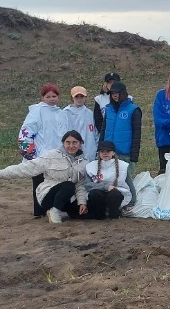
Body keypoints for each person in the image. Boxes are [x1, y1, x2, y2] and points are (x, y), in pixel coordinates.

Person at [0, 130, 88, 224]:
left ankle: (61, 212)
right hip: (48, 196)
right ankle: (54, 211)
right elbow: (26, 168)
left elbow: (80, 185)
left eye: (75, 142)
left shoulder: (84, 162)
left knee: (85, 213)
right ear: (63, 143)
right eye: (68, 142)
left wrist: (82, 202)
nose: (71, 146)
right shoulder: (52, 155)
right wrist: (1, 173)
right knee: (69, 185)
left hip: (68, 199)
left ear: (80, 143)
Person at [18, 83, 69, 217]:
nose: (51, 99)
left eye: (54, 96)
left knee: (55, 182)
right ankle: (39, 211)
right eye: (48, 96)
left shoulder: (61, 113)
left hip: (58, 154)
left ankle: (53, 208)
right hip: (41, 154)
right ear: (42, 97)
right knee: (39, 182)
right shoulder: (37, 111)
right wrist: (30, 154)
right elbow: (26, 132)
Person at [100, 81, 141, 211]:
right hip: (109, 151)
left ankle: (132, 201)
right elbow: (103, 129)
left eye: (117, 93)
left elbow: (136, 134)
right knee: (110, 179)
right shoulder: (108, 109)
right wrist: (100, 147)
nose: (114, 96)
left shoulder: (133, 110)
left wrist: (134, 154)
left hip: (125, 152)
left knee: (126, 179)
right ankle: (114, 204)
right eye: (112, 93)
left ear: (123, 93)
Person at [84, 141, 131, 220]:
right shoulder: (91, 166)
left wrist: (132, 202)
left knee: (114, 194)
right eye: (102, 151)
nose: (105, 153)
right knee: (94, 193)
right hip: (99, 194)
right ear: (98, 153)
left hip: (116, 194)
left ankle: (114, 214)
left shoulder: (123, 165)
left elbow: (130, 185)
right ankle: (100, 215)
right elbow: (87, 184)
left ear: (113, 153)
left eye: (108, 151)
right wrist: (105, 187)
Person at [64, 86, 98, 162]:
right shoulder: (65, 113)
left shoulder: (89, 113)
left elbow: (94, 132)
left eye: (82, 96)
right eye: (76, 97)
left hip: (89, 150)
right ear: (72, 98)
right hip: (72, 150)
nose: (79, 99)